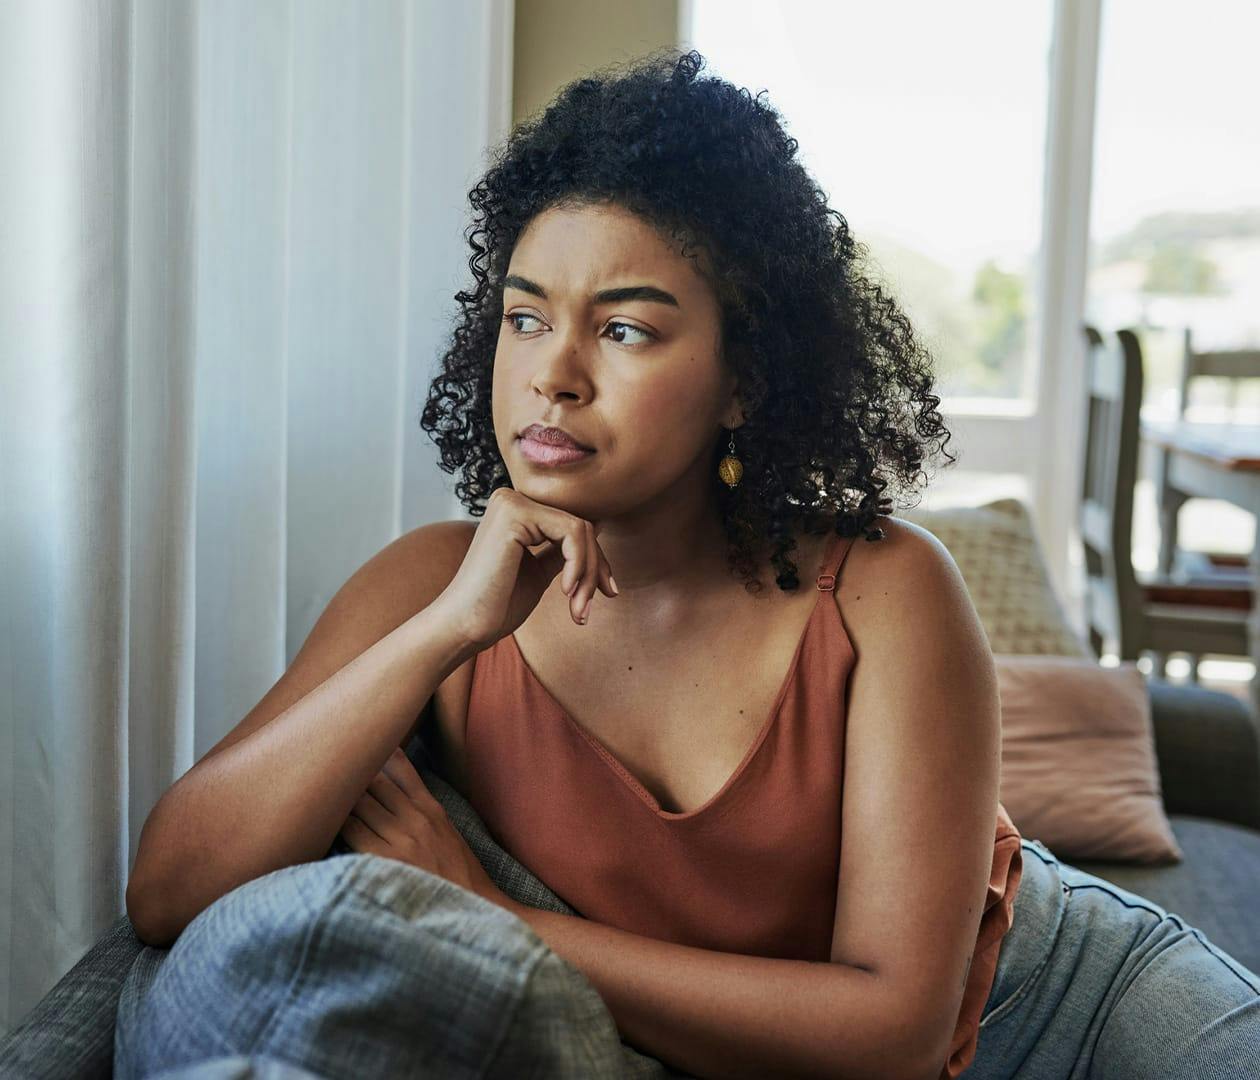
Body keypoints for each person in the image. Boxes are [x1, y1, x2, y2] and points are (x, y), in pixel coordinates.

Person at [124, 48, 1260, 1080]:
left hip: (1061, 1003)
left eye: (624, 330)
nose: (553, 375)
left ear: (745, 379)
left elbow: (895, 1035)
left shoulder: (882, 590)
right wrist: (444, 634)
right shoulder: (432, 587)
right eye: (525, 319)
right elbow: (169, 892)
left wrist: (483, 913)